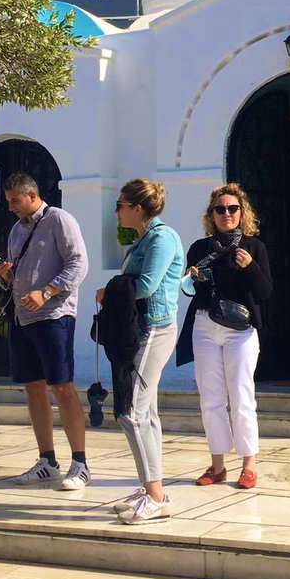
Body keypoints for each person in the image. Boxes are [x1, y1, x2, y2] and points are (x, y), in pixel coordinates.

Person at [0, 173, 90, 490]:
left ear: (32, 195)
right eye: (8, 201)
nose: (10, 207)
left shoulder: (59, 219)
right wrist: (4, 274)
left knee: (62, 387)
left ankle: (80, 464)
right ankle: (47, 461)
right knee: (33, 388)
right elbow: (16, 275)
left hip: (54, 316)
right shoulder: (16, 230)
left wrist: (46, 292)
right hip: (22, 318)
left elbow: (78, 264)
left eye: (15, 200)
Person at [176, 183, 272, 490]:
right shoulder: (199, 249)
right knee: (210, 398)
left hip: (240, 330)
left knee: (241, 395)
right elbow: (189, 290)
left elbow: (265, 291)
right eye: (220, 209)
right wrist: (191, 278)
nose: (226, 214)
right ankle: (217, 465)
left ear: (242, 213)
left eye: (232, 208)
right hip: (205, 324)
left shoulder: (254, 248)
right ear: (212, 214)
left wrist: (250, 267)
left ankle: (249, 465)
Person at [99, 179, 184, 523]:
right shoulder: (143, 239)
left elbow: (147, 285)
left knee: (130, 412)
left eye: (119, 205)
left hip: (154, 330)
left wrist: (109, 292)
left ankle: (157, 496)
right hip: (141, 330)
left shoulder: (162, 238)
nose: (115, 211)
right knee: (146, 414)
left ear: (136, 208)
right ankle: (151, 490)